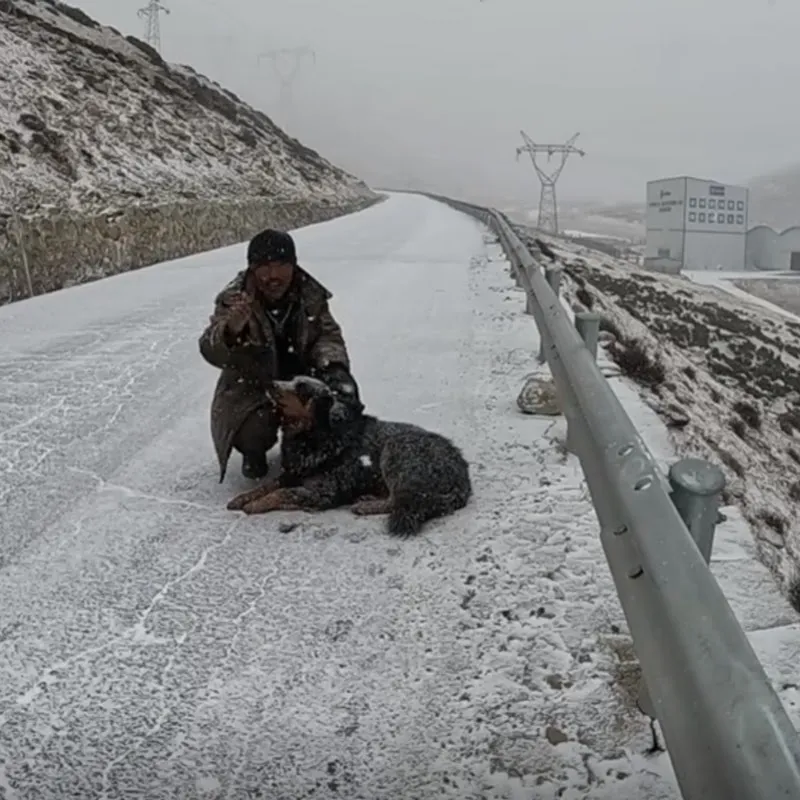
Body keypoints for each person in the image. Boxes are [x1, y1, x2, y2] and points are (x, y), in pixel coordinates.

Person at [199, 228, 359, 482]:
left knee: (339, 400)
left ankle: (321, 449)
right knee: (254, 429)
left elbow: (327, 336)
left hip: (301, 379)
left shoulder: (311, 294)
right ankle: (254, 453)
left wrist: (333, 368)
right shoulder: (234, 299)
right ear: (252, 269)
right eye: (263, 266)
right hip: (256, 388)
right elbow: (210, 349)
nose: (273, 275)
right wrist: (230, 331)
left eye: (281, 265)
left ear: (293, 265)